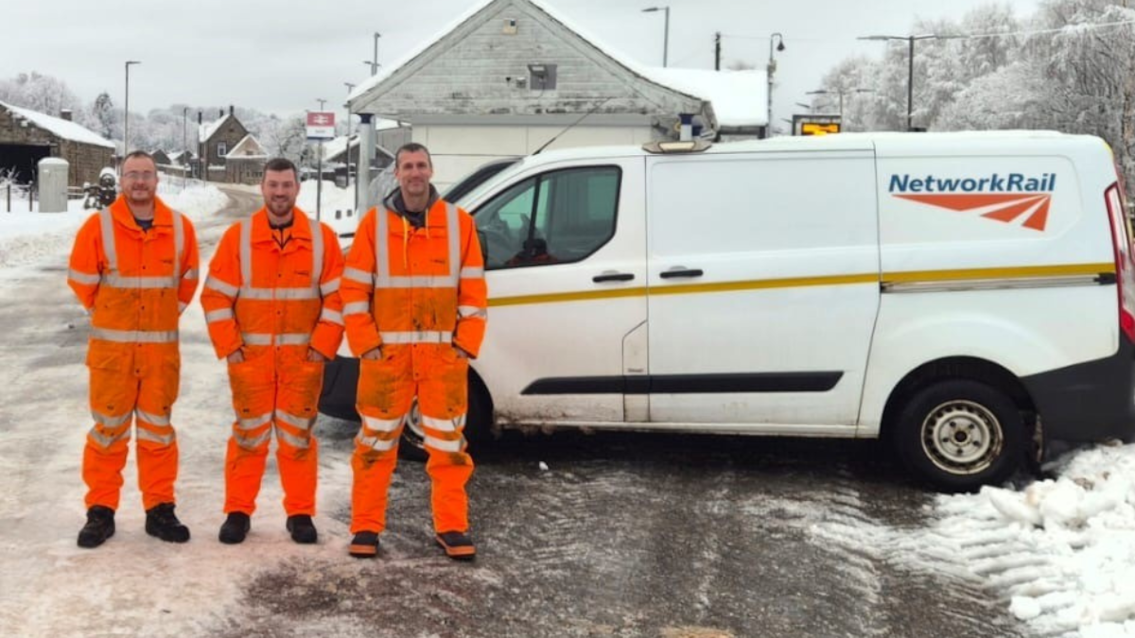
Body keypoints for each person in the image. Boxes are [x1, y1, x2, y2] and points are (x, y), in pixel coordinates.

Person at [342, 142, 487, 560]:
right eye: (407, 166)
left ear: (431, 169)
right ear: (397, 173)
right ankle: (365, 528)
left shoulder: (460, 224)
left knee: (448, 448)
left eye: (421, 165)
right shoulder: (374, 225)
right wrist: (366, 344)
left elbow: (474, 292)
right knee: (373, 447)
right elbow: (353, 289)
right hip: (386, 360)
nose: (415, 173)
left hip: (442, 359)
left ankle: (452, 527)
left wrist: (464, 346)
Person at [200, 157, 344, 545]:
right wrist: (230, 347)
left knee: (298, 439)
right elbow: (214, 297)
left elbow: (338, 298)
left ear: (298, 188)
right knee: (248, 437)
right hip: (251, 361)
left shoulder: (322, 239)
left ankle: (300, 514)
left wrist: (322, 347)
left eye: (286, 185)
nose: (279, 193)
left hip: (303, 362)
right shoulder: (238, 238)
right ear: (262, 188)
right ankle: (237, 512)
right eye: (273, 185)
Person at [67, 150, 200, 548]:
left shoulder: (181, 228)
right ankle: (100, 511)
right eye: (132, 175)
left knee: (158, 433)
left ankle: (160, 509)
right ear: (121, 181)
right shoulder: (99, 227)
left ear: (158, 180)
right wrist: (111, 314)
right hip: (113, 356)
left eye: (146, 175)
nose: (139, 182)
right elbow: (82, 282)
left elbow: (187, 282)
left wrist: (158, 317)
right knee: (108, 433)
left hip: (159, 354)